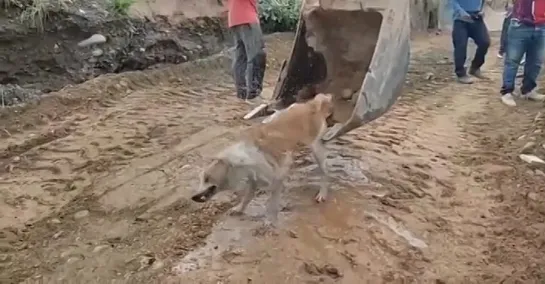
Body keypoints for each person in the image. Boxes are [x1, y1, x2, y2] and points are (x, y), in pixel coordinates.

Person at [500, 0, 545, 107]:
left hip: (542, 26)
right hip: (520, 24)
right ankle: (507, 91)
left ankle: (528, 90)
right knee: (513, 60)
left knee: (536, 61)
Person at [224, 0, 267, 101]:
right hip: (247, 17)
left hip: (235, 18)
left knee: (241, 57)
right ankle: (253, 93)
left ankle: (242, 92)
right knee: (257, 55)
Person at [448, 0, 491, 84]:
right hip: (460, 19)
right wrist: (460, 12)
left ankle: (475, 68)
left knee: (484, 42)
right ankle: (461, 73)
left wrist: (482, 10)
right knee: (461, 46)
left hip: (476, 18)